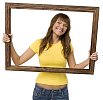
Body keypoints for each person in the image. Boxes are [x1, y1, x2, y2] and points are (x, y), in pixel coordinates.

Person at [3, 13, 98, 100]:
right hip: (41, 92)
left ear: (67, 29)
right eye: (59, 23)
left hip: (61, 93)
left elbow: (74, 67)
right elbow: (17, 61)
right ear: (52, 24)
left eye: (65, 25)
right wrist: (9, 43)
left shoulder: (67, 46)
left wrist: (89, 60)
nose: (61, 27)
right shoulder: (39, 43)